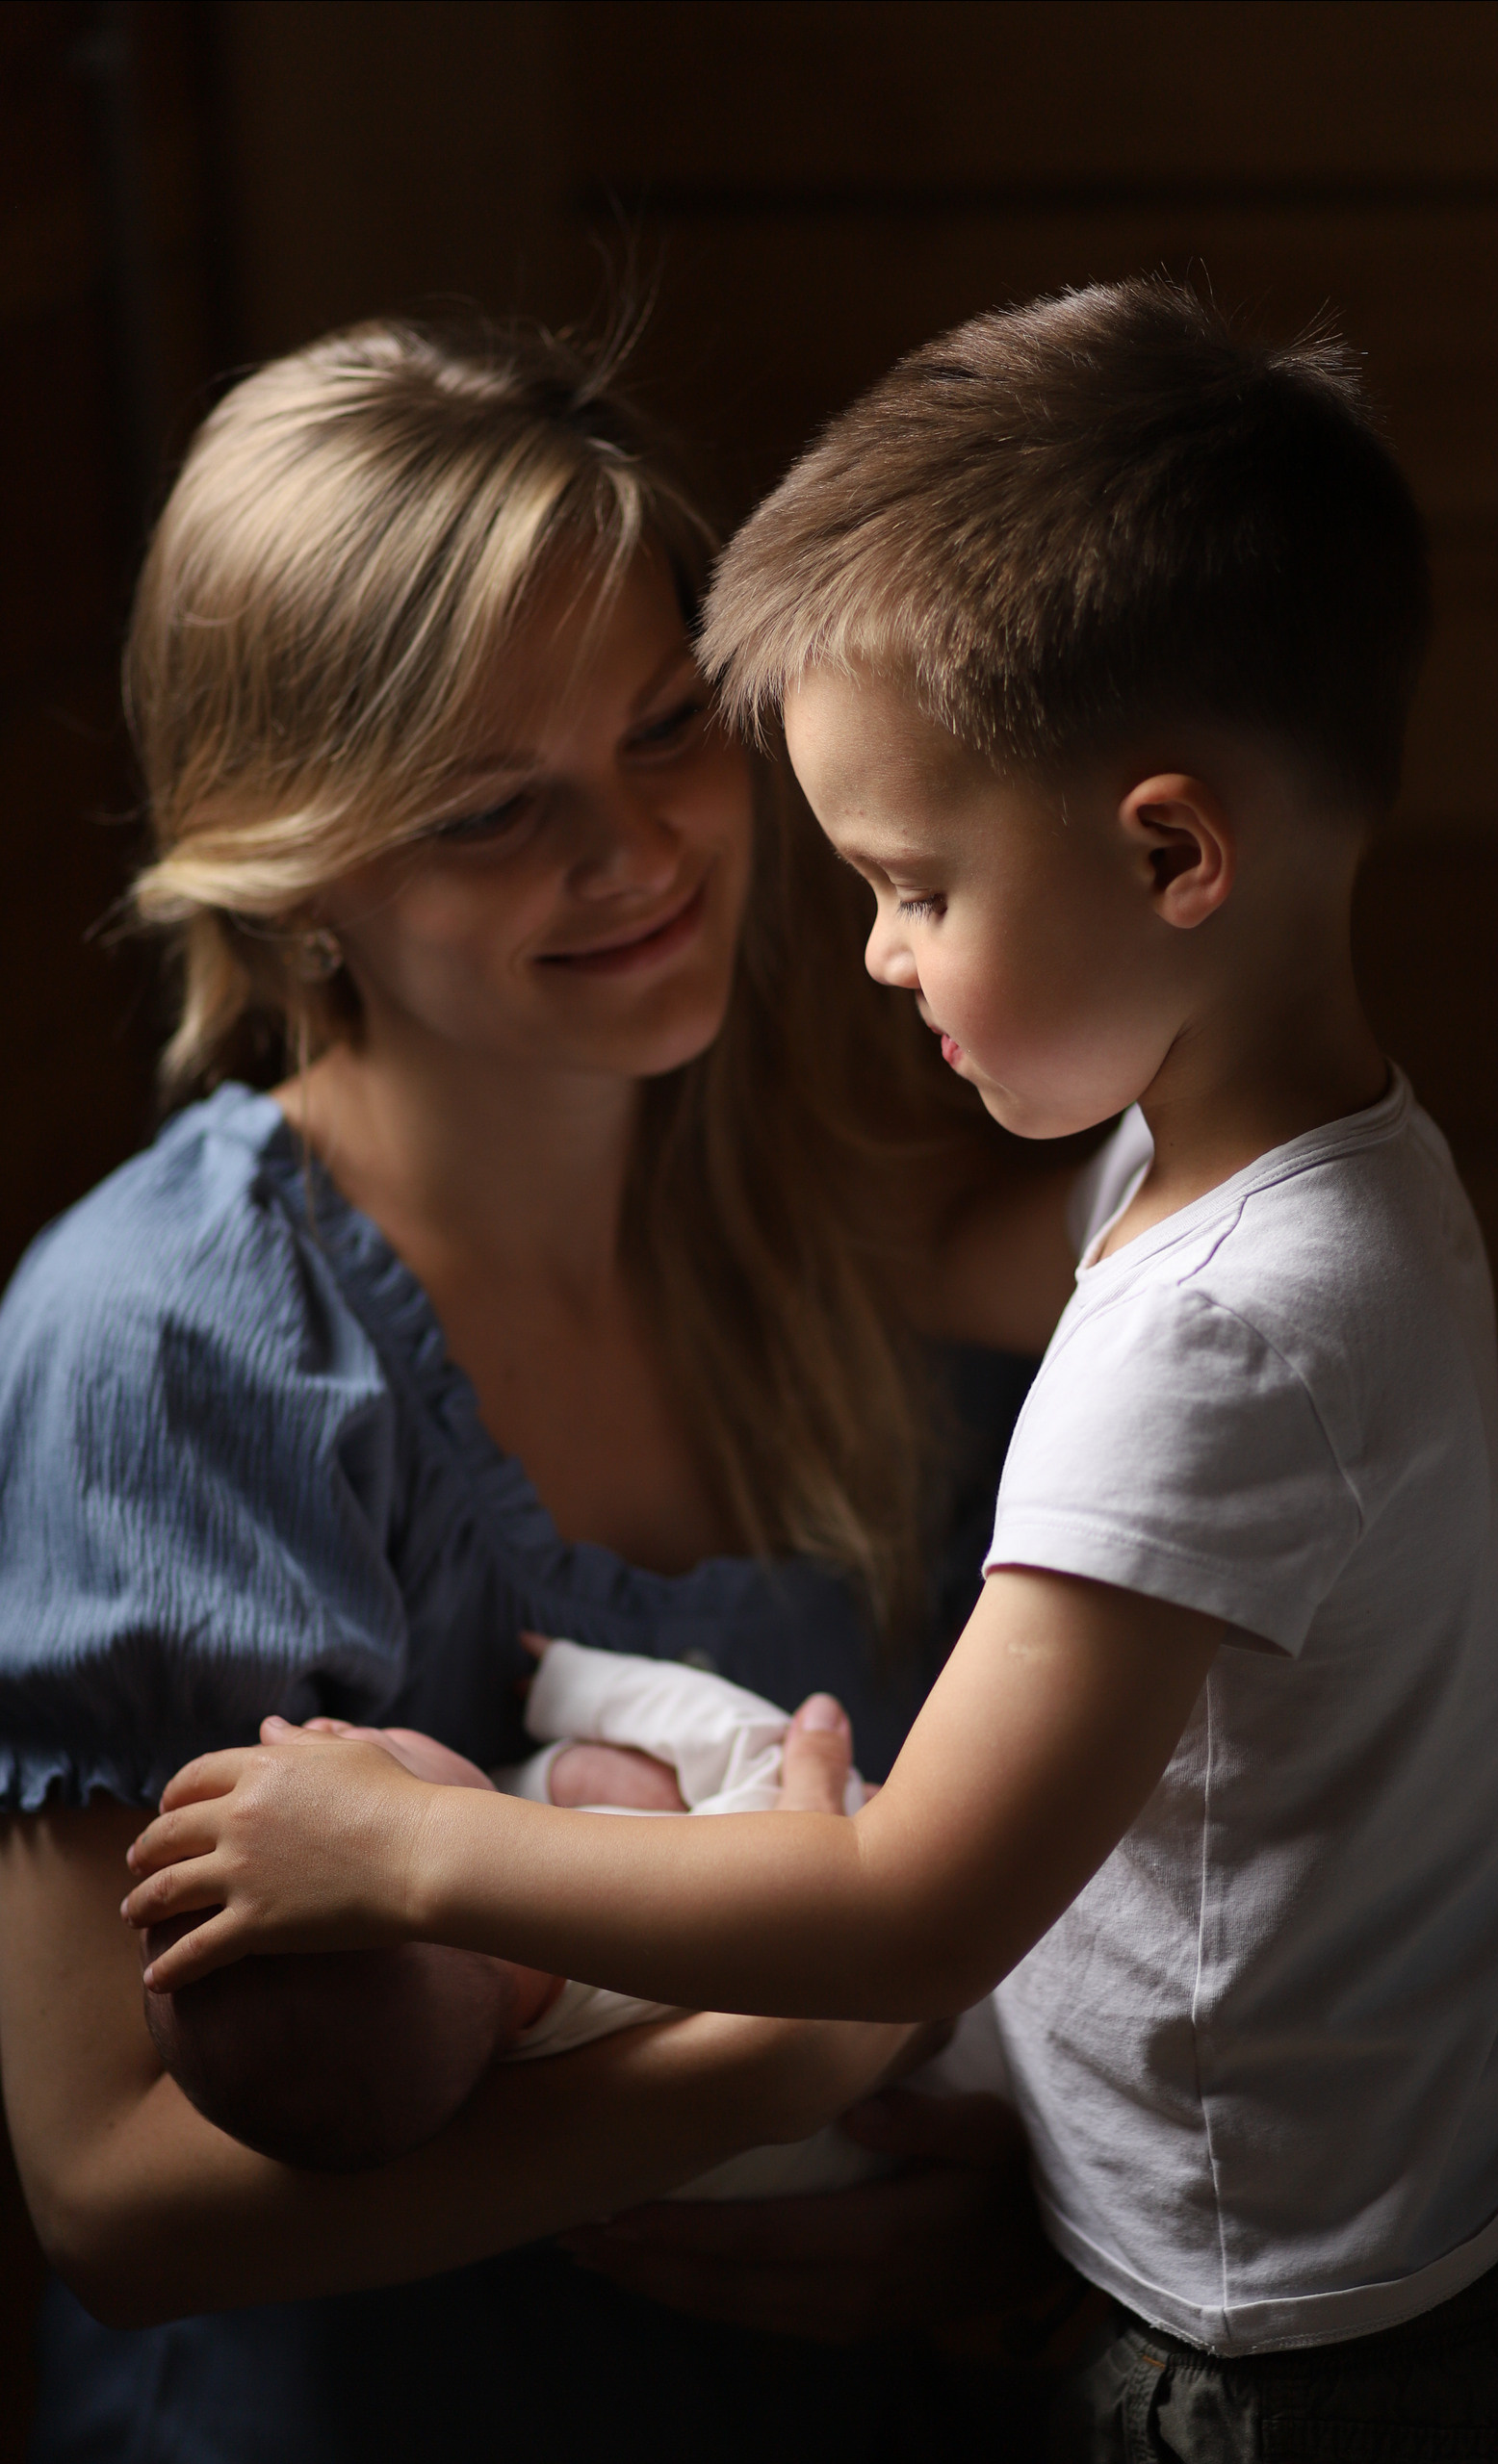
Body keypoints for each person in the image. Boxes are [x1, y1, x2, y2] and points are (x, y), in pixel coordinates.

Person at [131, 279, 1498, 2461]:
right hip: (1424, 2203)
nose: (869, 949)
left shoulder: (1213, 1324)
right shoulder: (1269, 1165)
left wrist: (404, 1859)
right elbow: (960, 1250)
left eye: (914, 883)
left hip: (1291, 2361)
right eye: (490, 803)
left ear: (1167, 851)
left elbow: (906, 1899)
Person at [0, 315, 1083, 2464]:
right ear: (298, 863)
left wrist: (998, 2234)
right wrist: (782, 2061)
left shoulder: (828, 1197)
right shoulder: (164, 1337)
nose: (639, 849)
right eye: (496, 807)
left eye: (668, 725)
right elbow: (109, 2196)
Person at [148, 1640, 1005, 2193]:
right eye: (366, 1757)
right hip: (993, 1974)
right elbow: (751, 1748)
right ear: (446, 1886)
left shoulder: (572, 2103)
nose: (313, 1721)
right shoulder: (652, 1909)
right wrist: (581, 1686)